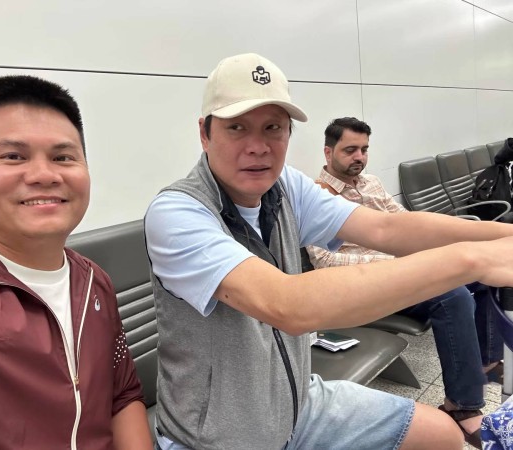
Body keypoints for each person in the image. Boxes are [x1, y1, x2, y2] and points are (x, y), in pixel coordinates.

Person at [145, 52, 513, 450]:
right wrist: (471, 259)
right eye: (236, 127)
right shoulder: (177, 214)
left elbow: (385, 227)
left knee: (442, 435)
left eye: (273, 128)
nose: (258, 147)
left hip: (298, 404)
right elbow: (286, 305)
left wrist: (499, 237)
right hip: (219, 437)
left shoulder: (285, 186)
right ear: (204, 133)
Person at [0, 75, 152, 449]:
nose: (44, 175)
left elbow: (122, 395)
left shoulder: (93, 281)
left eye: (62, 157)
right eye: (13, 156)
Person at [307, 116, 505, 448]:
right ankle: (462, 406)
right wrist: (399, 265)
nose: (359, 157)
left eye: (364, 149)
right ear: (328, 152)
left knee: (481, 272)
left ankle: (482, 364)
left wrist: (431, 248)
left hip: (399, 269)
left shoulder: (370, 182)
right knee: (452, 294)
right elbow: (324, 261)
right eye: (350, 150)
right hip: (360, 283)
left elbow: (403, 222)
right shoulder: (317, 196)